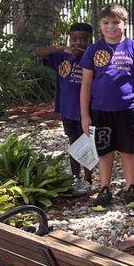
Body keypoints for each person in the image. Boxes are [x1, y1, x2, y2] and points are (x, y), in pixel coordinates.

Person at [80, 4, 134, 212]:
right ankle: (104, 188)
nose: (111, 27)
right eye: (106, 23)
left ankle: (130, 186)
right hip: (100, 111)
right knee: (105, 151)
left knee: (129, 150)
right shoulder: (93, 50)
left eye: (116, 22)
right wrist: (85, 116)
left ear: (125, 24)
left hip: (128, 109)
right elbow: (85, 86)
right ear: (100, 25)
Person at [37, 22, 94, 194]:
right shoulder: (62, 56)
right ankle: (75, 177)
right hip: (67, 109)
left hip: (87, 111)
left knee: (87, 144)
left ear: (90, 40)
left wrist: (82, 54)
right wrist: (62, 47)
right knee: (73, 142)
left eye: (83, 39)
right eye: (74, 39)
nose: (78, 42)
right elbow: (39, 53)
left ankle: (88, 178)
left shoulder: (91, 57)